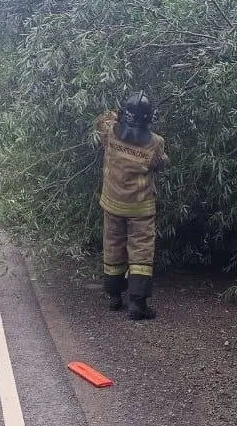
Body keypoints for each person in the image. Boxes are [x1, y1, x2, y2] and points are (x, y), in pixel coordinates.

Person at [95, 91, 169, 320]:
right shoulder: (156, 143)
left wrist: (114, 116)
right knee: (141, 253)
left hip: (112, 203)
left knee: (113, 247)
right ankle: (137, 304)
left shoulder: (110, 132)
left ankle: (115, 297)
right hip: (140, 208)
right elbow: (161, 163)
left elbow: (101, 121)